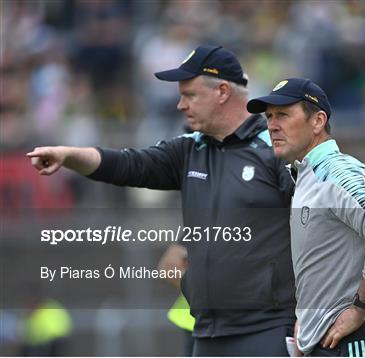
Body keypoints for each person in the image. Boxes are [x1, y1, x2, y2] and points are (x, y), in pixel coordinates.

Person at [27, 45, 297, 356]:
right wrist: (70, 155)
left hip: (268, 328)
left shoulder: (275, 149)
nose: (181, 105)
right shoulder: (188, 150)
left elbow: (320, 227)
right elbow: (127, 164)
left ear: (222, 91)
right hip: (207, 332)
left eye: (190, 95)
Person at [247, 78, 365, 356]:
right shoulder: (305, 175)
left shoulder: (335, 170)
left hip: (356, 338)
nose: (272, 125)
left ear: (318, 121)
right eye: (269, 116)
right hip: (326, 339)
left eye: (283, 114)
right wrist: (306, 323)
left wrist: (360, 307)